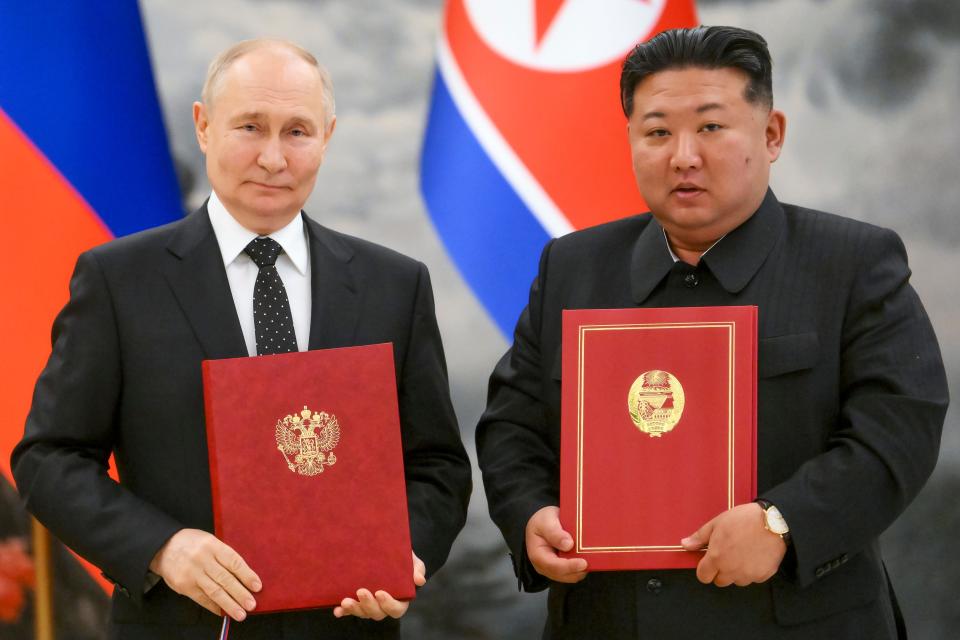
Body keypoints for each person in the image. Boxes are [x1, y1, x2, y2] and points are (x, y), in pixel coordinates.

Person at [476, 25, 948, 639]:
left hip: (798, 619)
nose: (683, 156)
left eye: (711, 127)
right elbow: (513, 423)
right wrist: (530, 514)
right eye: (657, 132)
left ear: (771, 133)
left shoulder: (852, 262)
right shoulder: (573, 266)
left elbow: (900, 427)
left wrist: (785, 522)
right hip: (609, 620)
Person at [12, 38, 471, 640]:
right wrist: (162, 548)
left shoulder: (395, 285)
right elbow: (49, 458)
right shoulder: (119, 281)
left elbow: (437, 464)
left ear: (327, 137)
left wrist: (402, 555)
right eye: (251, 127)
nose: (274, 158)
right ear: (203, 127)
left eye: (298, 131)